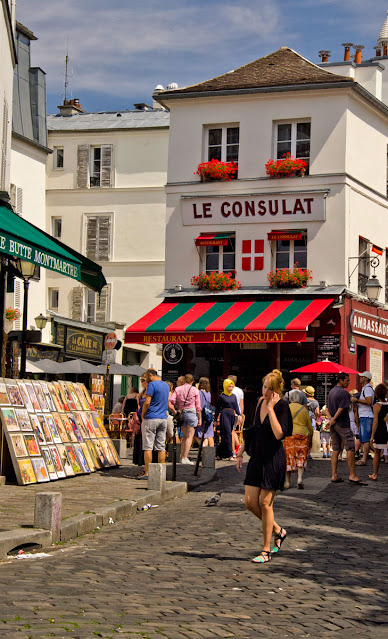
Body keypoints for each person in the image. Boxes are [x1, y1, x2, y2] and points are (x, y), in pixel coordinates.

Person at [236, 369, 291, 564]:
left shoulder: (283, 407)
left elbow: (279, 434)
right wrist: (241, 451)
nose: (265, 392)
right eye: (264, 387)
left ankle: (266, 550)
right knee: (250, 502)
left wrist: (271, 409)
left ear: (277, 391)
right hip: (257, 458)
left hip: (273, 459)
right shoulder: (259, 401)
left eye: (269, 389)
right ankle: (278, 530)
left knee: (266, 503)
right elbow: (252, 430)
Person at [326, 373, 366, 485]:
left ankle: (334, 474)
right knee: (350, 447)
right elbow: (341, 408)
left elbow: (327, 408)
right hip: (342, 423)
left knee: (336, 449)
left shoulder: (332, 391)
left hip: (334, 424)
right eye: (347, 380)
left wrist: (331, 419)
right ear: (341, 380)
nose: (348, 382)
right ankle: (352, 474)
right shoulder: (344, 393)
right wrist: (334, 419)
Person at [139, 369, 169, 479]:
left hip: (151, 417)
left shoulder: (152, 385)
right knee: (161, 446)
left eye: (146, 377)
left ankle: (147, 473)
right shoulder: (166, 385)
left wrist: (143, 414)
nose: (145, 379)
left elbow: (147, 402)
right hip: (163, 418)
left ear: (150, 375)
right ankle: (160, 472)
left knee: (148, 446)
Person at [283, 390, 313, 489]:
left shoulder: (286, 408)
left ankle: (287, 482)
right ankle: (299, 479)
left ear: (290, 399)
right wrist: (311, 437)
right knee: (301, 456)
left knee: (288, 457)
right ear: (300, 399)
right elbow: (309, 425)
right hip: (302, 435)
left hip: (289, 435)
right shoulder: (304, 409)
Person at [169, 374, 201, 465]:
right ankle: (185, 457)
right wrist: (199, 418)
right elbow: (198, 405)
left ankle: (182, 456)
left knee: (184, 436)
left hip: (182, 412)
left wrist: (178, 404)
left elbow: (172, 400)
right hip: (191, 411)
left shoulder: (178, 389)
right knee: (189, 436)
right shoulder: (194, 389)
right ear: (192, 381)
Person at [351, 372, 374, 466]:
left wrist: (357, 400)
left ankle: (364, 459)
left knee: (365, 439)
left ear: (365, 378)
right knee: (364, 438)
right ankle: (379, 453)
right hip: (364, 416)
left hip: (366, 416)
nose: (360, 378)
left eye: (362, 377)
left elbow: (369, 401)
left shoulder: (368, 389)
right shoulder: (365, 389)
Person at [215, 379, 240, 460]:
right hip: (224, 415)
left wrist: (239, 415)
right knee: (228, 433)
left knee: (226, 435)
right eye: (229, 386)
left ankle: (219, 453)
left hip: (232, 415)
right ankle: (230, 454)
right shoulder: (221, 396)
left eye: (232, 386)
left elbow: (236, 406)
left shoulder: (233, 396)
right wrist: (215, 419)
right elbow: (217, 408)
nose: (231, 388)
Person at [368, 383, 388, 481]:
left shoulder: (376, 406)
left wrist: (372, 435)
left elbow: (375, 422)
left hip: (381, 430)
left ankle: (375, 474)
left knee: (377, 453)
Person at [194, 377, 214, 448]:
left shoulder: (200, 393)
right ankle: (207, 452)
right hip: (208, 415)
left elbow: (200, 406)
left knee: (195, 434)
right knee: (207, 435)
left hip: (202, 416)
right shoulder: (209, 393)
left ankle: (204, 447)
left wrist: (199, 418)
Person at [228, 374, 244, 455]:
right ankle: (238, 446)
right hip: (238, 413)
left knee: (230, 431)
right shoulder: (240, 391)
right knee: (232, 430)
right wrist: (241, 414)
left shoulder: (230, 390)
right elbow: (241, 404)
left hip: (231, 413)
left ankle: (233, 450)